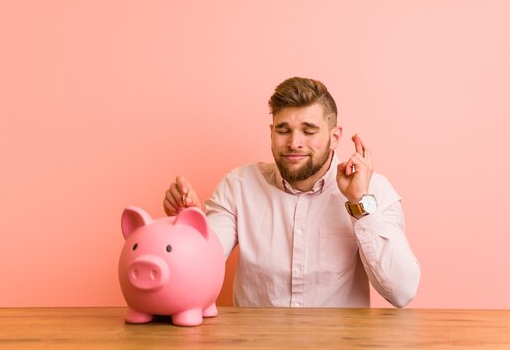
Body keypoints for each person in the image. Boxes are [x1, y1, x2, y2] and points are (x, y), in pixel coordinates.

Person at [163, 77, 420, 308]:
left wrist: (359, 203)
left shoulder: (373, 190)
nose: (294, 143)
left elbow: (402, 292)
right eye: (283, 130)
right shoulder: (238, 185)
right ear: (272, 132)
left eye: (309, 131)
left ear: (335, 136)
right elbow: (199, 269)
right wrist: (188, 230)